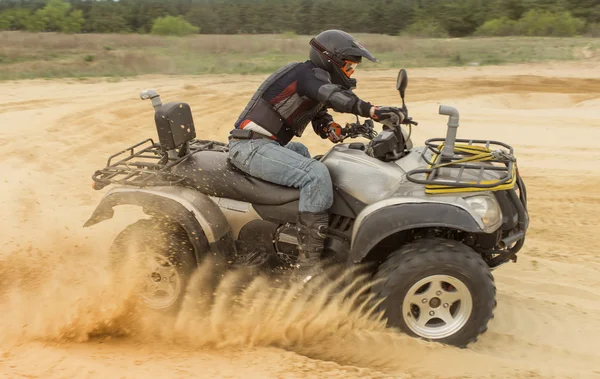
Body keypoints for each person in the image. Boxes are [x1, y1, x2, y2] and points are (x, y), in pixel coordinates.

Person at [228, 29, 405, 279]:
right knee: (315, 174)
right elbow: (332, 97)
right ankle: (308, 264)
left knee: (306, 153)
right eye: (349, 66)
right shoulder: (305, 75)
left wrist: (337, 130)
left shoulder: (313, 82)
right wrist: (372, 110)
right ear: (329, 59)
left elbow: (321, 118)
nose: (351, 72)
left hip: (267, 146)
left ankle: (298, 226)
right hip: (250, 146)